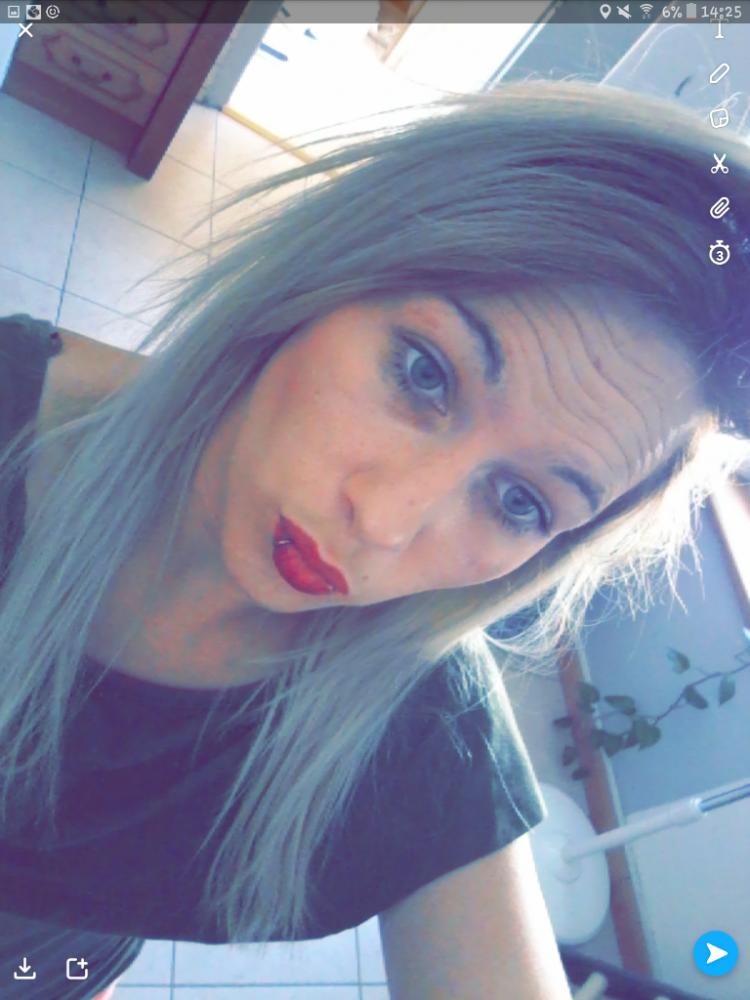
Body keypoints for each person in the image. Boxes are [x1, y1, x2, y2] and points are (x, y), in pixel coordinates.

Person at [0, 78, 749, 1000]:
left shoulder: (426, 746)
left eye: (520, 503)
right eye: (424, 374)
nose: (387, 521)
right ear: (334, 271)